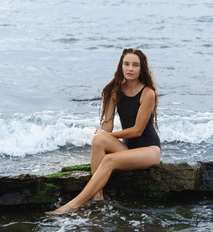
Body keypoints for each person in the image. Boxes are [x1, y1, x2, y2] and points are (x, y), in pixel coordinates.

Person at [46, 48, 161, 215]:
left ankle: (74, 204)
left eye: (135, 65)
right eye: (126, 64)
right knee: (98, 139)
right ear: (120, 66)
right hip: (129, 150)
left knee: (109, 160)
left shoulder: (148, 93)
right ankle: (97, 196)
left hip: (150, 150)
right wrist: (102, 133)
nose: (130, 68)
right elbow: (107, 127)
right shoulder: (115, 91)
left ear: (141, 69)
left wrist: (109, 135)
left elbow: (137, 131)